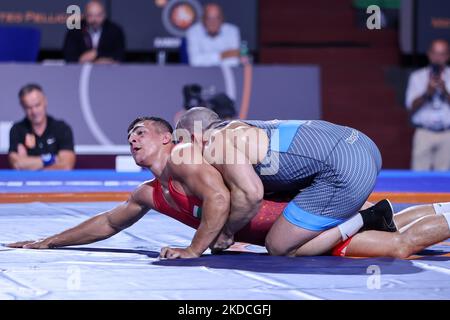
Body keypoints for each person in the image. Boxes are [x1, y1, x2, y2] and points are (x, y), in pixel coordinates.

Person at [7, 117, 394, 259]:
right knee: (285, 245)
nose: (132, 140)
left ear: (166, 139)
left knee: (396, 244)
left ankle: (371, 216)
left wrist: (198, 248)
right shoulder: (150, 192)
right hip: (293, 208)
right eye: (127, 138)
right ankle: (376, 215)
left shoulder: (188, 155)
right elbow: (109, 223)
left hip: (284, 220)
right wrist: (49, 241)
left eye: (139, 133)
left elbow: (225, 196)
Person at [175, 107, 393, 256]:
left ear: (194, 138)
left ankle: (366, 217)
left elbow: (251, 195)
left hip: (348, 167)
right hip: (361, 142)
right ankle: (359, 209)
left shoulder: (214, 142)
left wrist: (227, 233)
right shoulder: (237, 127)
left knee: (279, 245)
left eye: (182, 145)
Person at [8, 84, 76, 170]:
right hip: (28, 182)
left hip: (57, 182)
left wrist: (29, 164)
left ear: (45, 101)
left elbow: (66, 165)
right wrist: (54, 159)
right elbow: (17, 163)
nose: (34, 111)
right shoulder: (17, 130)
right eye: (28, 107)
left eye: (37, 105)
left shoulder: (62, 128)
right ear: (22, 106)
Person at [405, 39, 450, 170]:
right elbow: (410, 106)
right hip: (424, 133)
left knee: (445, 182)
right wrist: (426, 94)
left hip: (447, 134)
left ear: (447, 56)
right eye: (435, 53)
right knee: (418, 178)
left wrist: (445, 91)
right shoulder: (417, 77)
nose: (438, 58)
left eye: (442, 54)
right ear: (429, 54)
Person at [186, 3, 241, 67]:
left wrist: (206, 59)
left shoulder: (232, 31)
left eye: (217, 18)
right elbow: (194, 61)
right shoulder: (193, 32)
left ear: (222, 19)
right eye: (209, 18)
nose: (213, 23)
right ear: (203, 20)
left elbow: (234, 61)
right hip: (200, 73)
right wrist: (222, 55)